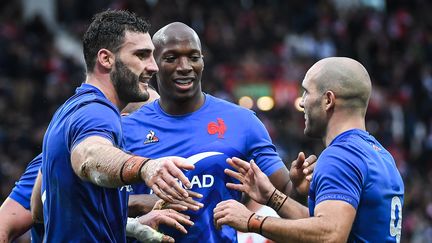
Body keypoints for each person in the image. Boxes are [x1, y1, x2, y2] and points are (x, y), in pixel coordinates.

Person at [121, 22, 316, 243]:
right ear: (153, 64)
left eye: (193, 57)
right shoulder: (128, 129)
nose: (185, 66)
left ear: (202, 62)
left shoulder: (242, 122)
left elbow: (285, 194)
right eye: (171, 58)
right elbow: (93, 205)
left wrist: (300, 187)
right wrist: (137, 201)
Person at [39, 10, 195, 242]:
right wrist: (145, 167)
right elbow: (89, 156)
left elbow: (36, 207)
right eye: (141, 55)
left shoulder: (69, 110)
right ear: (106, 59)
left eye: (152, 56)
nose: (153, 67)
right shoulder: (97, 112)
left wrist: (130, 225)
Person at [213, 57, 405, 242]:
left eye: (306, 92)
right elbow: (321, 222)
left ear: (328, 100)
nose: (302, 102)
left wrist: (252, 221)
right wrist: (272, 196)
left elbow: (329, 234)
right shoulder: (381, 155)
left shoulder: (340, 156)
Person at [0, 86, 192, 243]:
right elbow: (6, 225)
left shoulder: (153, 163)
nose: (162, 130)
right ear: (125, 122)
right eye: (155, 119)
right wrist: (137, 204)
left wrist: (134, 224)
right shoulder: (56, 155)